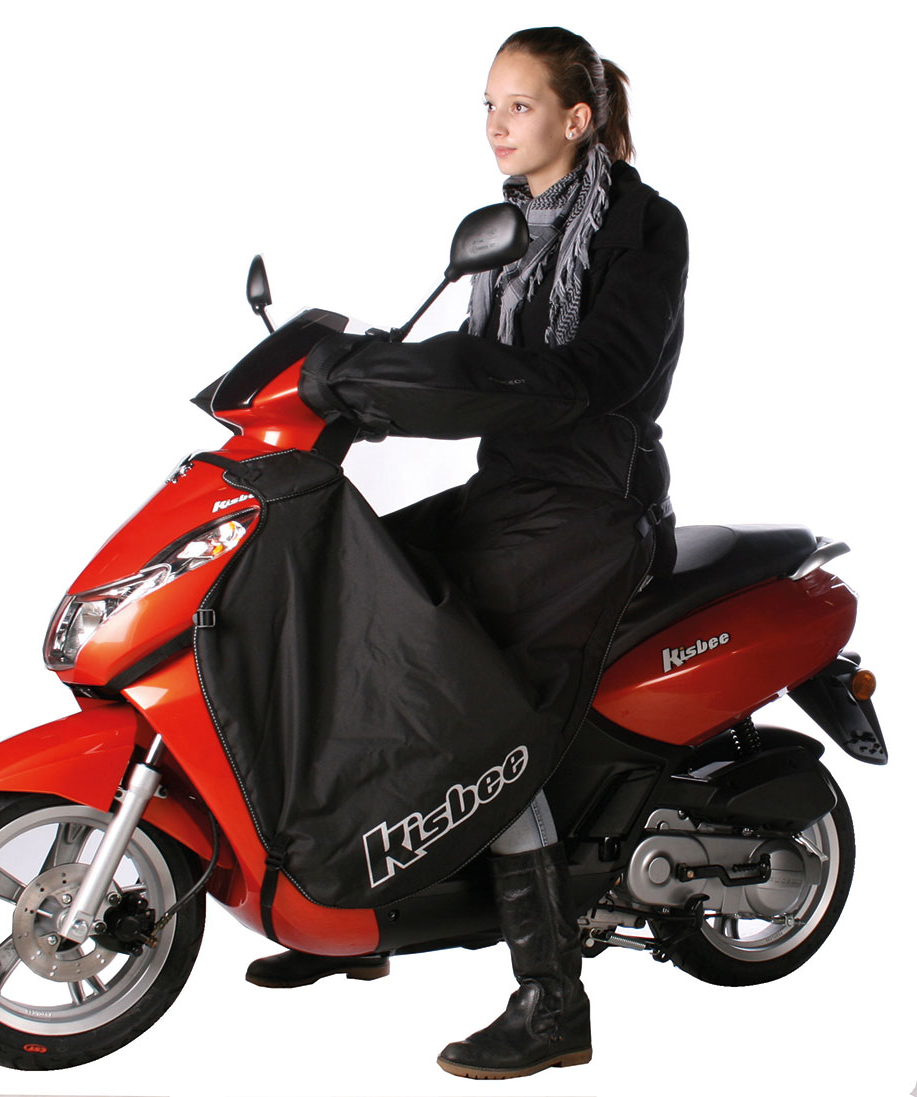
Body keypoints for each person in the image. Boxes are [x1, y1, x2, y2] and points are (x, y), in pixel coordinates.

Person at [245, 26, 689, 1080]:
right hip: (513, 494)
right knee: (345, 599)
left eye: (518, 105)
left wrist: (421, 382)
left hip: (592, 508)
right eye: (487, 105)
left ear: (576, 118)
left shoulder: (644, 228)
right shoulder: (512, 228)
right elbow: (474, 363)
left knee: (468, 697)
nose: (495, 125)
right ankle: (360, 899)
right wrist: (361, 383)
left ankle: (552, 999)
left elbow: (592, 376)